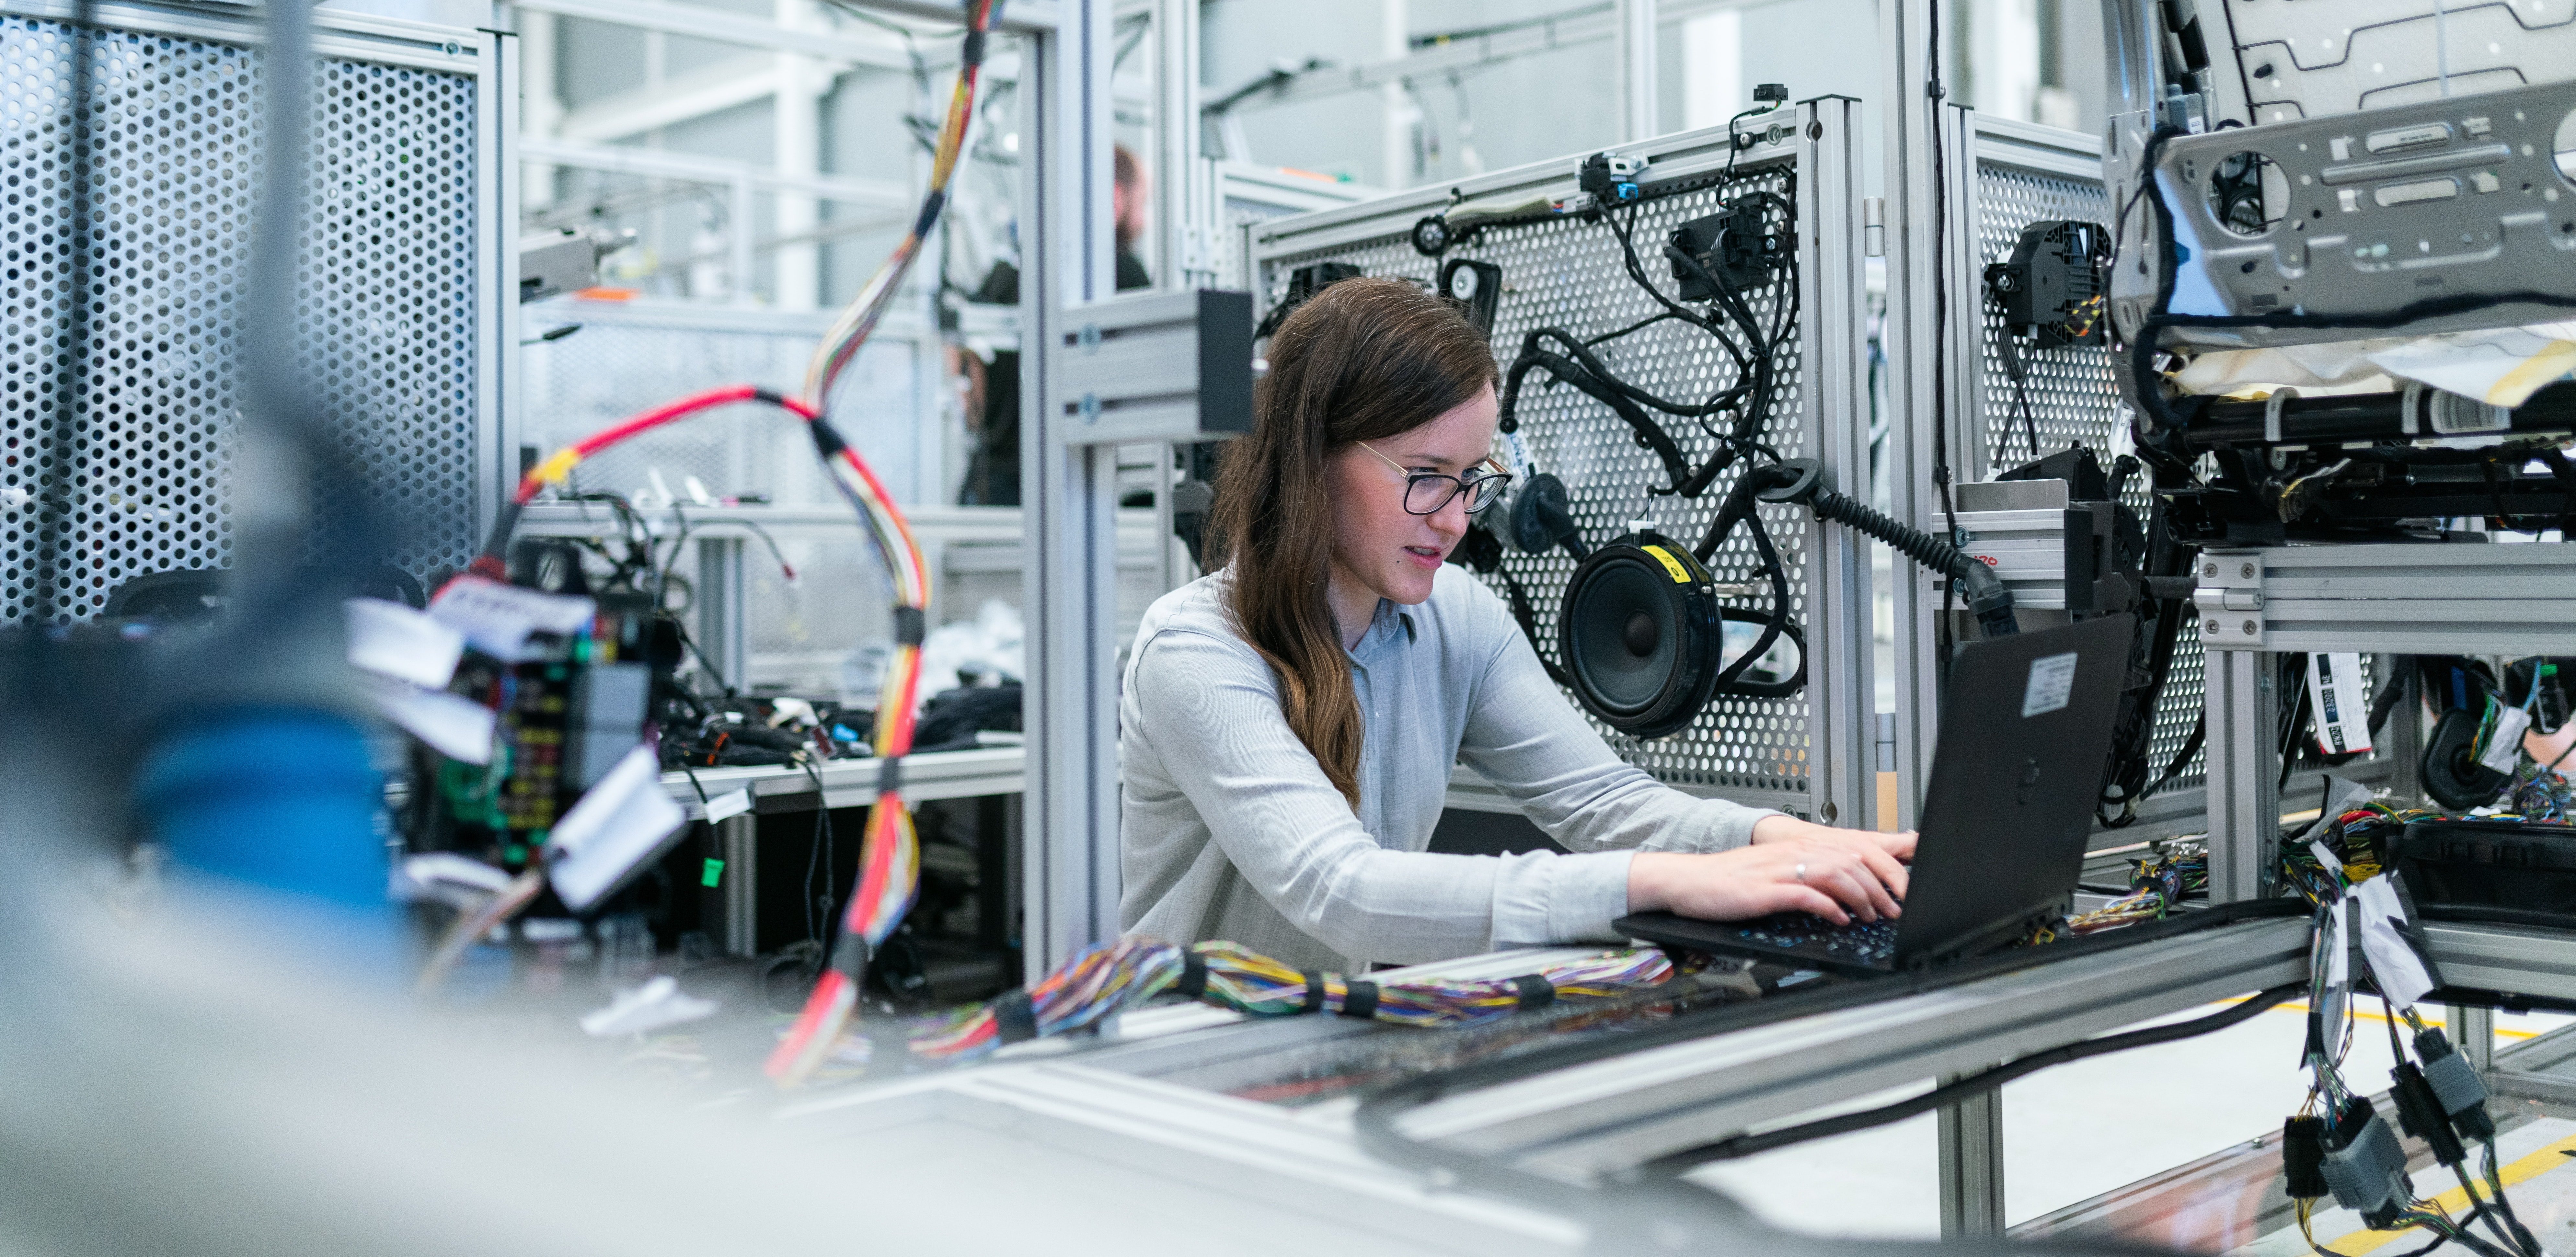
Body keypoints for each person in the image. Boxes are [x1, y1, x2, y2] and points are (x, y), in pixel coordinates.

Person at [1119, 277, 1913, 972]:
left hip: (1322, 1044)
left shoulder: (1456, 619)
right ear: (1310, 458)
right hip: (1185, 1077)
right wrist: (1660, 883)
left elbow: (1605, 802)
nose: (1458, 521)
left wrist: (1782, 841)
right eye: (1427, 478)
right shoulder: (1197, 650)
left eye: (1473, 481)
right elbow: (1343, 891)